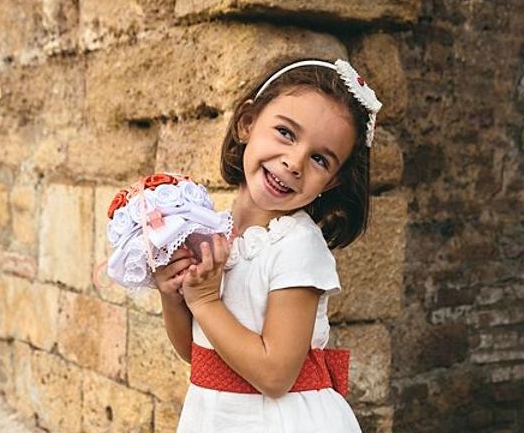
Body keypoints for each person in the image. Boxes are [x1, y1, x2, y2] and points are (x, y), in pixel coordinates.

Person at [153, 57, 382, 433]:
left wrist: (205, 301)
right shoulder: (215, 229)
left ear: (331, 182)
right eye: (286, 133)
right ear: (247, 123)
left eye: (320, 159)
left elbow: (276, 374)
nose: (294, 162)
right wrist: (174, 295)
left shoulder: (296, 246)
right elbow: (198, 355)